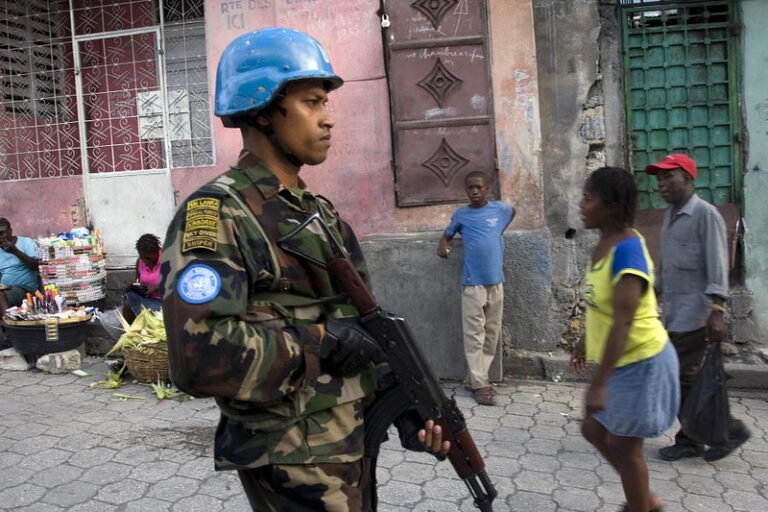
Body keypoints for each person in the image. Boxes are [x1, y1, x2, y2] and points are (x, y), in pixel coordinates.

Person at [160, 28, 448, 511]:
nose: (329, 119)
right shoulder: (215, 214)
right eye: (313, 102)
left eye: (325, 104)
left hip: (347, 442)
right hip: (289, 456)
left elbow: (363, 329)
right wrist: (321, 341)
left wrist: (404, 405)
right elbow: (198, 355)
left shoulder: (319, 213)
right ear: (263, 108)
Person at [571, 167, 679, 512]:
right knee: (593, 429)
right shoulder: (603, 245)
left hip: (643, 361)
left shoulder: (628, 250)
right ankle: (643, 499)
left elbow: (624, 320)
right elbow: (601, 308)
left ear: (612, 205)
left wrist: (598, 384)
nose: (581, 204)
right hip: (621, 363)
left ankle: (641, 504)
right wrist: (585, 340)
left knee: (624, 446)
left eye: (589, 197)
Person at [646, 154, 751, 462]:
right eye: (659, 179)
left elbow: (718, 265)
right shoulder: (669, 215)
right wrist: (652, 291)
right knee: (686, 380)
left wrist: (717, 311)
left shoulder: (706, 215)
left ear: (689, 179)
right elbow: (667, 268)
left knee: (679, 379)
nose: (662, 184)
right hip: (674, 314)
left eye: (669, 177)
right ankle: (703, 436)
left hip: (697, 316)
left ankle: (720, 433)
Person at [437, 171, 515, 406]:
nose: (475, 191)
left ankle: (474, 379)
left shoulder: (500, 210)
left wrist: (498, 231)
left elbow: (513, 212)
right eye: (470, 188)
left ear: (487, 189)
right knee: (474, 334)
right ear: (466, 191)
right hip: (473, 284)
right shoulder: (462, 215)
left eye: (479, 187)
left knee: (492, 334)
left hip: (495, 282)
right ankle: (481, 385)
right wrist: (443, 243)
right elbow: (448, 233)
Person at [0, 218, 40, 317]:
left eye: (2, 233)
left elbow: (35, 266)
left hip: (25, 289)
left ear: (10, 231)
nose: (0, 237)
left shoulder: (26, 243)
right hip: (6, 288)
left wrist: (15, 251)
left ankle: (8, 323)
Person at [121, 233, 163, 324]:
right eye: (142, 257)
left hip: (165, 302)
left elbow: (180, 282)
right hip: (147, 299)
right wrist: (135, 287)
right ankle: (133, 333)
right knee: (127, 301)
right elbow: (138, 280)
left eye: (148, 258)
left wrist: (157, 287)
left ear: (157, 251)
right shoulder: (140, 261)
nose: (145, 260)